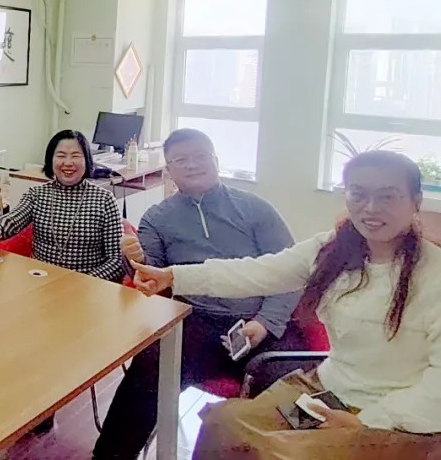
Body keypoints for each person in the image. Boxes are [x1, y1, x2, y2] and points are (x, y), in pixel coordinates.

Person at [130, 151, 441, 459]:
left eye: (388, 196)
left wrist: (367, 421)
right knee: (222, 425)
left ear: (416, 201)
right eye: (358, 193)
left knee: (285, 452)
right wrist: (173, 276)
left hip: (404, 422)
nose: (371, 208)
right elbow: (259, 272)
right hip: (329, 397)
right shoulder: (332, 250)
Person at [94, 128, 298, 459]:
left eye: (200, 156)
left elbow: (291, 272)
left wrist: (265, 322)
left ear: (216, 159)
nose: (192, 165)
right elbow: (151, 280)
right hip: (196, 321)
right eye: (181, 160)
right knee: (147, 368)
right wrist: (135, 259)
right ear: (169, 171)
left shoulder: (255, 209)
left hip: (260, 320)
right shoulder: (157, 218)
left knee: (291, 394)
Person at [0, 130, 134, 283]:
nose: (68, 163)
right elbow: (14, 218)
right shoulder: (37, 194)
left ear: (86, 160)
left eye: (75, 156)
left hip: (87, 286)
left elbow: (117, 260)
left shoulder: (105, 200)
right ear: (50, 160)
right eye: (61, 156)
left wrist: (86, 281)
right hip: (40, 281)